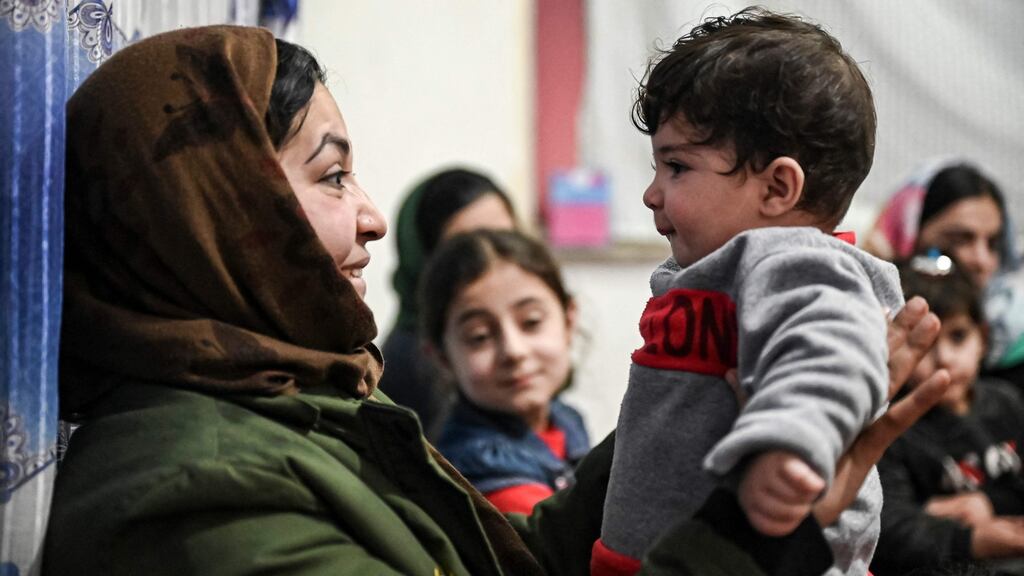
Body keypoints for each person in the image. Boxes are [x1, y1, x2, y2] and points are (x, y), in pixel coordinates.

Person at [43, 24, 949, 576]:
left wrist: (692, 400)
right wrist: (767, 522)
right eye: (331, 177)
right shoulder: (185, 497)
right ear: (210, 212)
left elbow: (512, 564)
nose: (372, 219)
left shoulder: (302, 402)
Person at [594, 8, 904, 576]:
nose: (650, 194)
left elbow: (833, 354)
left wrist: (789, 448)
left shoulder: (800, 261)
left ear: (778, 188)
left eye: (677, 168)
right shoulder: (720, 270)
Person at [421, 229, 590, 514]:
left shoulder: (564, 419)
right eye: (479, 336)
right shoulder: (488, 474)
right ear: (442, 357)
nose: (514, 351)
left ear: (569, 320)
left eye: (531, 321)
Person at [872, 262, 1024, 575]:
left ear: (982, 337)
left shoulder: (1005, 401)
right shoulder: (891, 423)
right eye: (923, 343)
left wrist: (988, 505)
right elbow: (887, 527)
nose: (944, 359)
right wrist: (971, 539)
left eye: (957, 337)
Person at [380, 168, 517, 440]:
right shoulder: (414, 361)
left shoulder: (519, 333)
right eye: (467, 250)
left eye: (506, 240)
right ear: (426, 261)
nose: (493, 259)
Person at [864, 159, 1024, 391]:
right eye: (960, 239)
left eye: (993, 243)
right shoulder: (865, 325)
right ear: (909, 234)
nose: (982, 260)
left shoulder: (1014, 338)